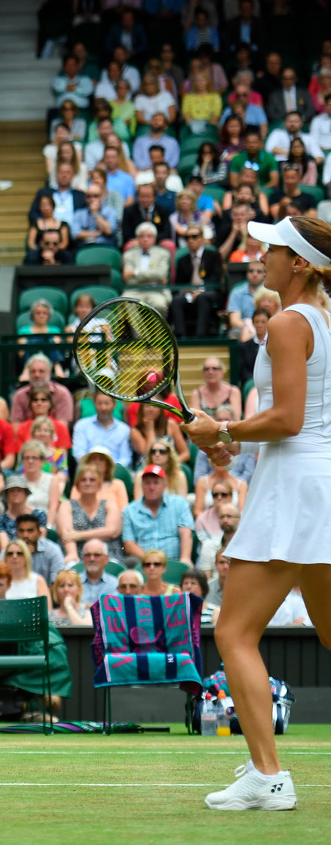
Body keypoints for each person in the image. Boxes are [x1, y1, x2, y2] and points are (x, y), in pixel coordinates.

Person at [182, 214, 331, 809]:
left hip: (295, 484)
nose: (259, 255)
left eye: (270, 248)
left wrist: (222, 425)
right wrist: (235, 439)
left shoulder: (292, 323)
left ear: (298, 262)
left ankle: (268, 776)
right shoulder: (322, 318)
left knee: (233, 630)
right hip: (313, 478)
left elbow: (290, 419)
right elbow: (298, 418)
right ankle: (263, 771)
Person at [120, 464, 194, 566]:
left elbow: (186, 533)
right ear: (142, 486)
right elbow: (129, 544)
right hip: (144, 563)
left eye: (156, 483)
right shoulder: (129, 511)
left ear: (164, 484)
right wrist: (152, 561)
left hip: (174, 561)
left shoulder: (179, 504)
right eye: (147, 483)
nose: (151, 487)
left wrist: (185, 558)